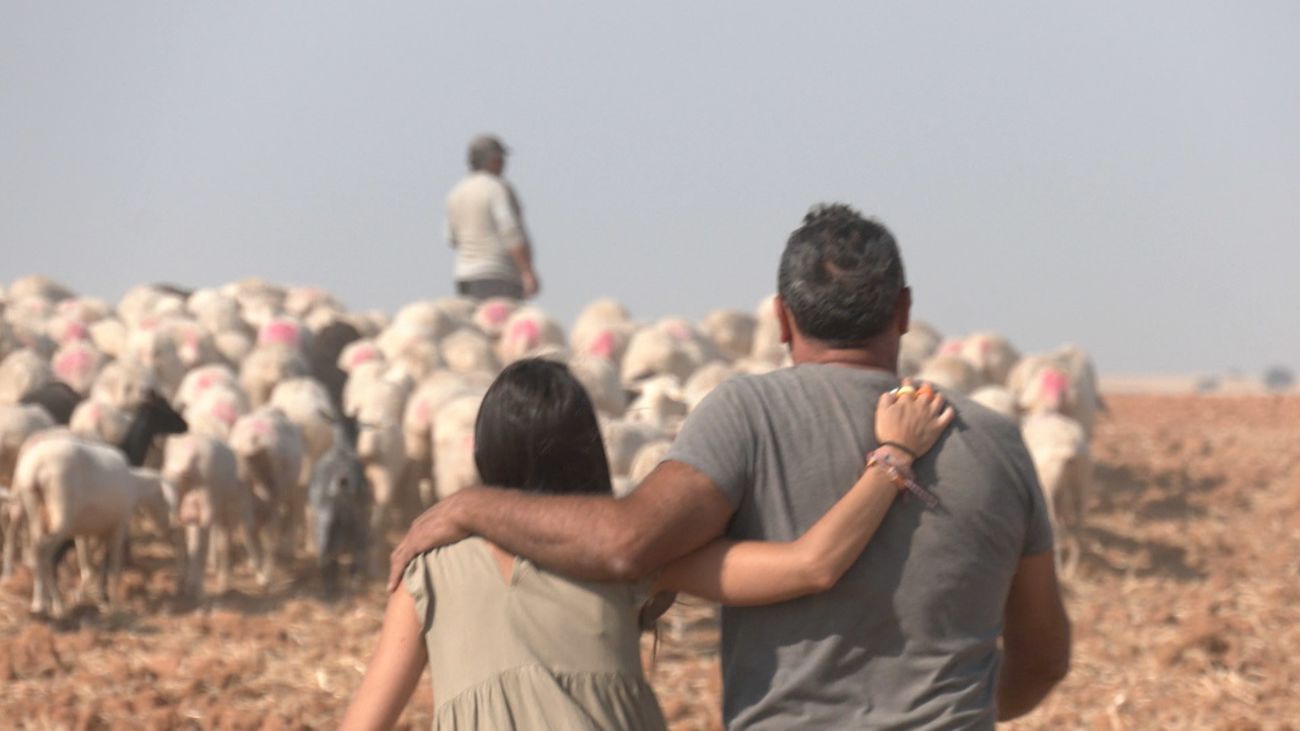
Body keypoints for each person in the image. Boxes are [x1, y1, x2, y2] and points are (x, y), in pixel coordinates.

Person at [389, 204, 1072, 728]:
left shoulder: (746, 415)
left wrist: (468, 506)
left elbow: (628, 542)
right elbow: (1043, 658)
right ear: (903, 310)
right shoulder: (999, 442)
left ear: (780, 318)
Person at [343, 359, 953, 729]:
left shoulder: (430, 573)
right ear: (589, 449)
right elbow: (812, 565)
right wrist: (893, 458)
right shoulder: (636, 561)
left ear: (482, 453)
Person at [444, 134, 540, 301]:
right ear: (494, 160)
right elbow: (511, 232)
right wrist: (527, 272)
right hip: (498, 275)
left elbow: (451, 238)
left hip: (465, 277)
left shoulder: (456, 193)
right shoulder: (497, 189)